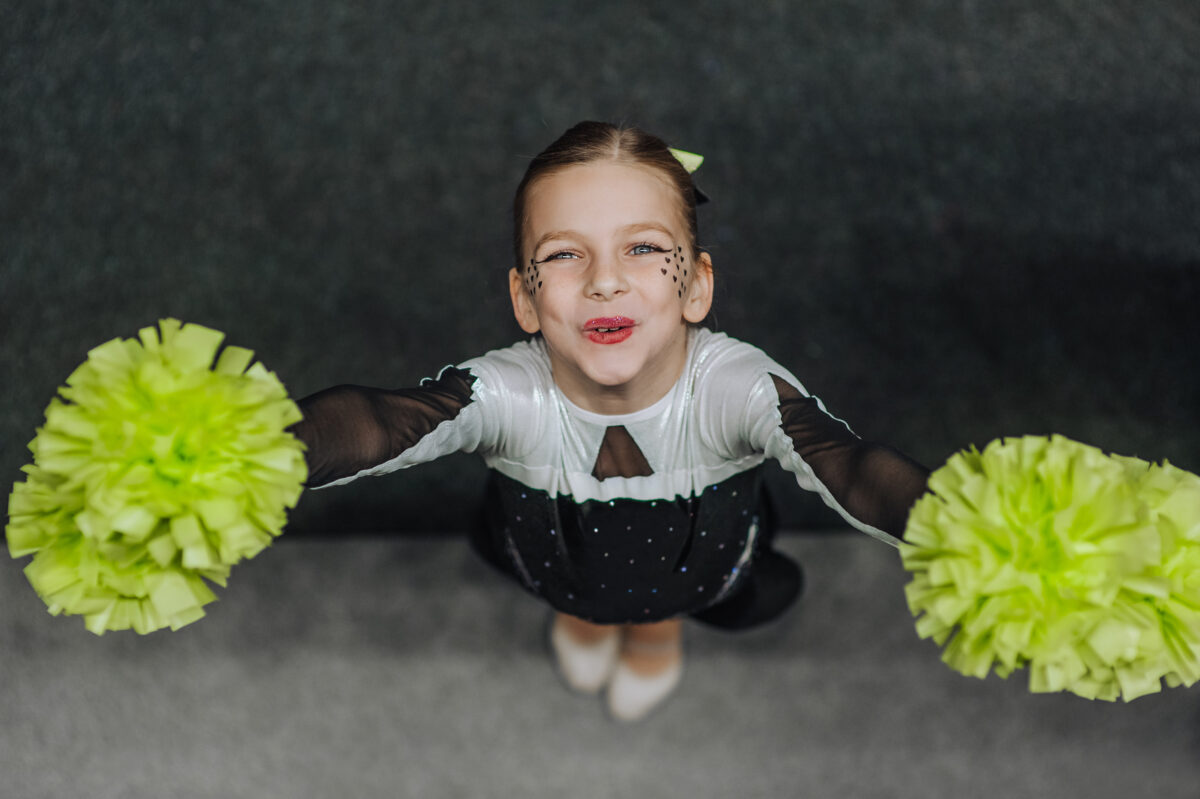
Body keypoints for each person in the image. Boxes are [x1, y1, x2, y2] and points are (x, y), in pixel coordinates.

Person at [291, 121, 930, 721]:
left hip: (698, 566)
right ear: (525, 299)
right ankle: (582, 620)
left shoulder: (734, 388)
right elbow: (379, 421)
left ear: (697, 286)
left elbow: (851, 466)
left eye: (644, 247)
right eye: (566, 254)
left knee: (686, 600)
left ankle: (656, 634)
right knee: (579, 597)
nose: (604, 280)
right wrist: (267, 448)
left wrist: (954, 522)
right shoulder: (507, 391)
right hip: (556, 561)